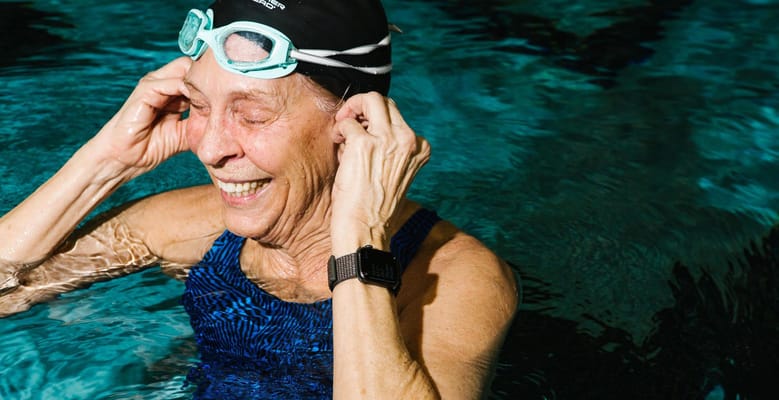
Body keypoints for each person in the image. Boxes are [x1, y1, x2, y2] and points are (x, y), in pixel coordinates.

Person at [0, 0, 518, 398]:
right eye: (200, 105)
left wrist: (359, 235)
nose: (209, 146)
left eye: (251, 116)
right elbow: (6, 289)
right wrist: (107, 162)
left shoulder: (455, 278)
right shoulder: (196, 227)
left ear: (356, 121)